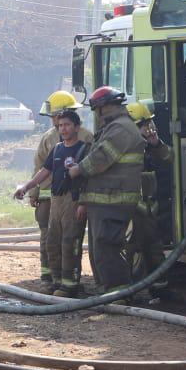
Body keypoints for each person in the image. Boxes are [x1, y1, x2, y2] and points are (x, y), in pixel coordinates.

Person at [66, 86, 145, 293]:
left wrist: (78, 170)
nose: (96, 114)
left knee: (107, 246)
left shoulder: (122, 128)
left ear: (104, 107)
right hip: (103, 199)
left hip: (114, 199)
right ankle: (107, 290)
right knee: (99, 247)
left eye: (97, 109)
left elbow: (101, 157)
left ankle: (117, 292)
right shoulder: (112, 127)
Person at [14, 107, 89, 295]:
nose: (63, 129)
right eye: (60, 125)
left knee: (70, 242)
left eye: (67, 125)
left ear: (77, 127)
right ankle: (56, 282)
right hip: (56, 200)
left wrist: (83, 203)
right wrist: (26, 187)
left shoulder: (84, 149)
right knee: (53, 242)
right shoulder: (57, 148)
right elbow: (44, 172)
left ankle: (70, 285)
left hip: (73, 200)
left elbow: (90, 179)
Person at [31, 91, 79, 285]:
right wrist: (33, 192)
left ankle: (70, 279)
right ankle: (48, 275)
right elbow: (40, 167)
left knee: (71, 241)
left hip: (71, 198)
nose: (54, 121)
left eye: (55, 116)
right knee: (49, 240)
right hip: (47, 198)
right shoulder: (49, 138)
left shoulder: (84, 138)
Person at [127, 101, 172, 290]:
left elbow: (169, 158)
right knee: (131, 248)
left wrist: (156, 143)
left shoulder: (152, 146)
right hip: (129, 207)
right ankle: (130, 287)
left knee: (154, 247)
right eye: (143, 124)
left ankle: (160, 288)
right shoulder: (125, 146)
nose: (149, 128)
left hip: (149, 206)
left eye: (149, 123)